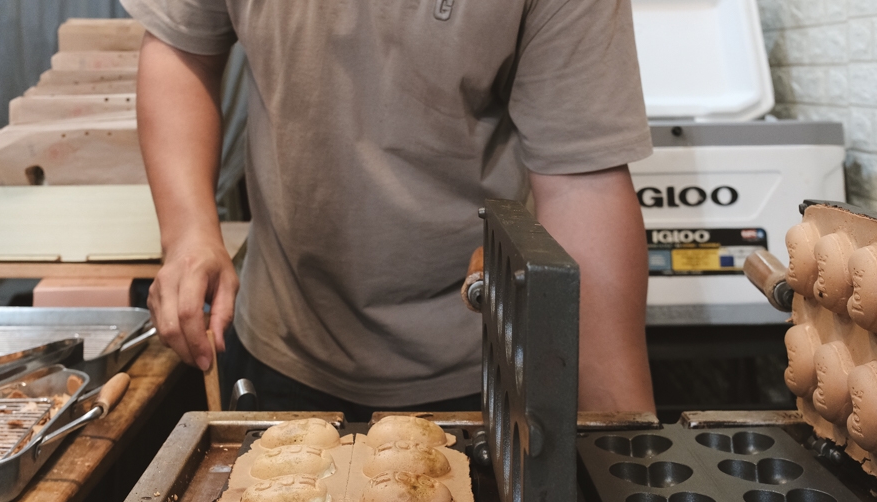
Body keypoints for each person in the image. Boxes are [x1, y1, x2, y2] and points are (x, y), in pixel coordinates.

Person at [124, 0, 656, 421]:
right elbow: (182, 46)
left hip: (478, 364)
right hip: (283, 343)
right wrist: (189, 232)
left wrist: (624, 451)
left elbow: (581, 183)